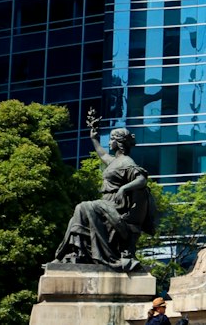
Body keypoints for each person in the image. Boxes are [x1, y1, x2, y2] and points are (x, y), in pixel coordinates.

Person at [55, 111, 155, 270]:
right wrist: (94, 139)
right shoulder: (116, 161)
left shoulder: (127, 162)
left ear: (119, 143)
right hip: (106, 204)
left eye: (112, 140)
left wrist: (124, 188)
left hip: (115, 206)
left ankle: (93, 253)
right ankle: (77, 251)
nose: (109, 143)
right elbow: (102, 154)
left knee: (84, 207)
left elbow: (141, 179)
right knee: (82, 209)